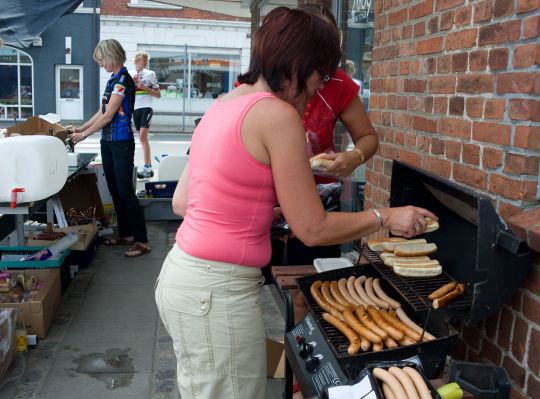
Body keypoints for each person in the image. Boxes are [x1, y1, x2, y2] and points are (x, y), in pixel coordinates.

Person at [155, 7, 436, 399]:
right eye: (320, 76)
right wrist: (385, 216)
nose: (319, 89)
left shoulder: (223, 105)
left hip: (182, 279)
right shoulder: (277, 115)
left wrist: (260, 209)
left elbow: (184, 203)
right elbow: (313, 228)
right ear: (300, 64)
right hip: (215, 293)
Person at [270, 4, 379, 266]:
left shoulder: (339, 83)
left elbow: (368, 137)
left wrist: (354, 156)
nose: (326, 73)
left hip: (319, 193)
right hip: (269, 193)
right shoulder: (269, 81)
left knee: (312, 277)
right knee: (265, 277)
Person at [70, 39, 150, 258]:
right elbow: (101, 111)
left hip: (121, 141)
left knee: (125, 191)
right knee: (115, 189)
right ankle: (126, 234)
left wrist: (83, 136)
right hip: (108, 141)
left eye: (101, 60)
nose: (100, 64)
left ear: (110, 56)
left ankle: (142, 240)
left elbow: (109, 115)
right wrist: (81, 128)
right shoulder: (112, 81)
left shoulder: (123, 80)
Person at [132, 50, 161, 179]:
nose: (146, 63)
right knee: (141, 138)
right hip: (135, 109)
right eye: (145, 60)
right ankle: (147, 167)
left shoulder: (151, 74)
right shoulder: (130, 74)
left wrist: (145, 88)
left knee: (143, 136)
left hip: (146, 108)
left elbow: (158, 94)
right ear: (138, 60)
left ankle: (147, 167)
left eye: (147, 61)